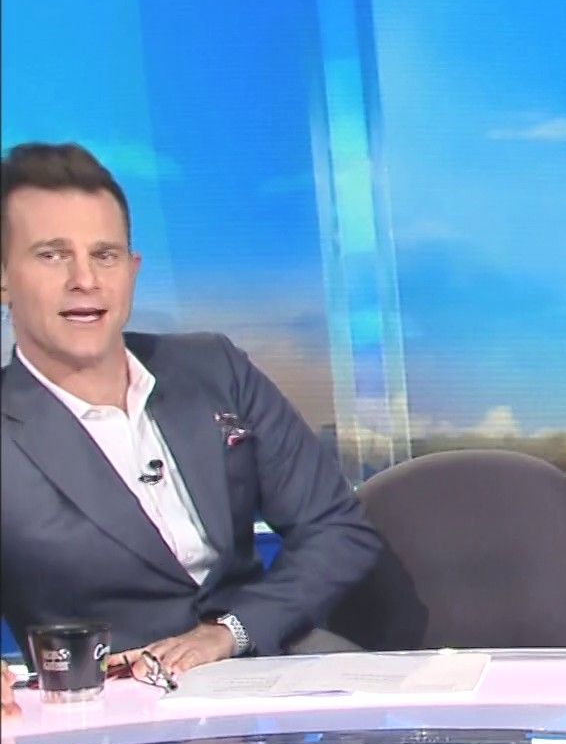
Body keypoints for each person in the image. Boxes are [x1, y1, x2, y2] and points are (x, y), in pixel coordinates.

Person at [1, 142, 380, 680]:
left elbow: (337, 529)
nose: (85, 279)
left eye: (105, 255)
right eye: (52, 255)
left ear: (132, 270)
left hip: (269, 661)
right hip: (108, 700)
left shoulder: (212, 368)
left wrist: (232, 631)